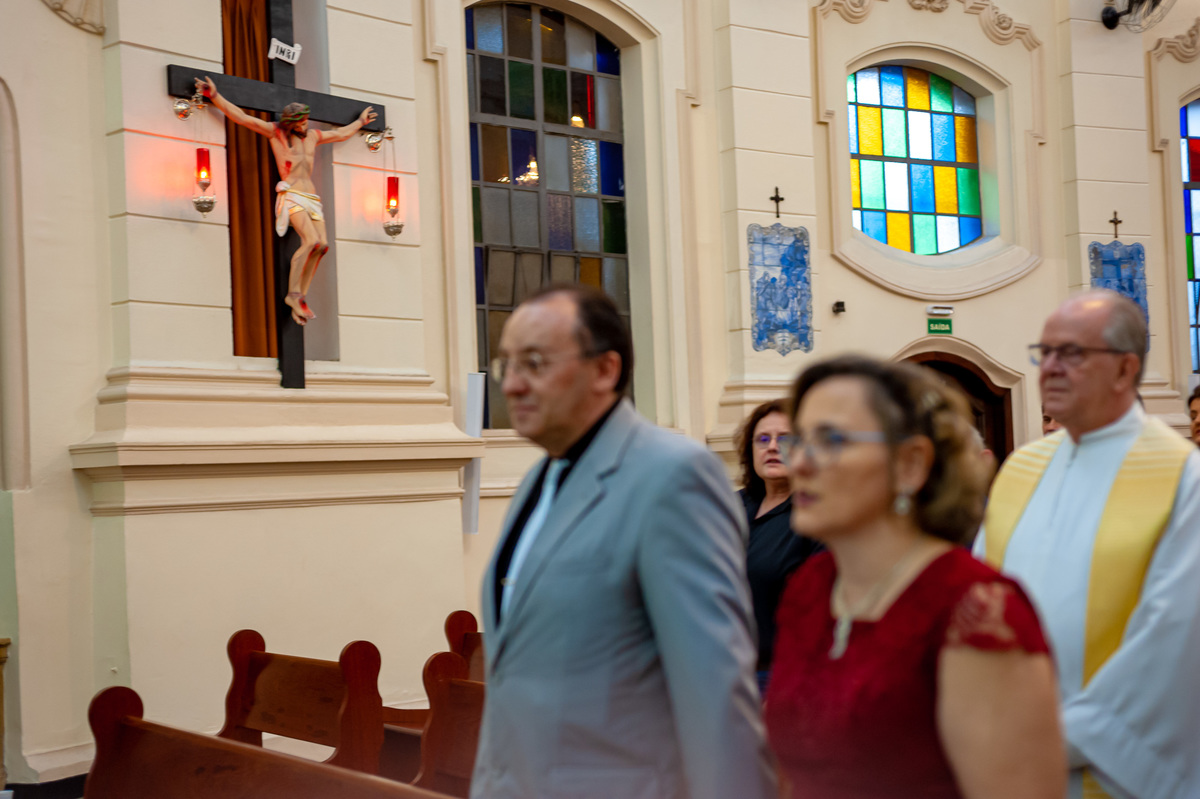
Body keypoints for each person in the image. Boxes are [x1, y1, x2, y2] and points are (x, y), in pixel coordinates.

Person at [472, 285, 776, 799]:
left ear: (605, 370)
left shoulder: (672, 476)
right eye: (507, 365)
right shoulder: (538, 480)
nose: (515, 384)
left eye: (535, 363)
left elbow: (713, 688)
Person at [766, 355, 1065, 799]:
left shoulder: (975, 610)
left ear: (910, 463)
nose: (801, 465)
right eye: (799, 441)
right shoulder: (812, 586)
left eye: (829, 440)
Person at [977, 289, 1200, 799]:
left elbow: (1176, 637)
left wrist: (1055, 735)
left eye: (1071, 354)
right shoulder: (1020, 471)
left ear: (1125, 370)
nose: (1049, 368)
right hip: (1005, 754)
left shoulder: (1181, 477)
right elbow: (977, 598)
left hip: (1112, 767)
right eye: (1044, 352)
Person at [195, 76, 376, 326]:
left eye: (306, 120)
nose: (305, 124)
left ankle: (300, 296)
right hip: (292, 195)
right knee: (310, 240)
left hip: (311, 197)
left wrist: (360, 122)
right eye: (301, 121)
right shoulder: (275, 133)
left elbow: (341, 134)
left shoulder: (313, 136)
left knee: (322, 245)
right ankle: (292, 295)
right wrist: (215, 96)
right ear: (291, 123)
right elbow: (242, 118)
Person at [734, 399, 822, 692]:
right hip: (717, 674)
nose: (772, 447)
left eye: (785, 439)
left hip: (779, 680)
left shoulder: (817, 516)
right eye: (762, 439)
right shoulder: (728, 505)